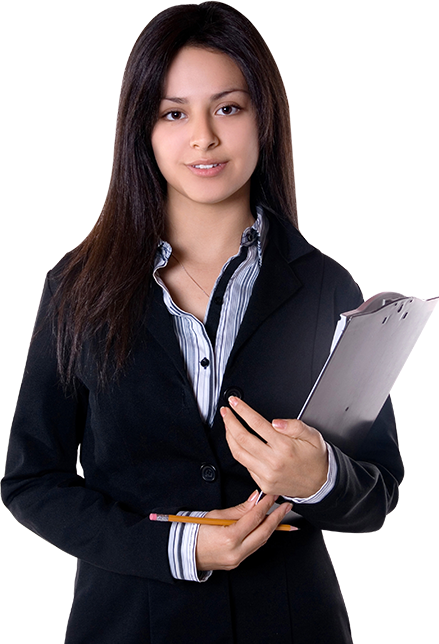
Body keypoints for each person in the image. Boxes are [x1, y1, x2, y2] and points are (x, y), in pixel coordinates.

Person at [1, 3, 404, 643]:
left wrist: (319, 477)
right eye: (173, 113)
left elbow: (377, 494)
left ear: (264, 118)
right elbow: (32, 481)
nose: (203, 137)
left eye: (228, 108)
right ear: (143, 129)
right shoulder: (79, 288)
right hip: (128, 627)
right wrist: (178, 548)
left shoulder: (326, 289)